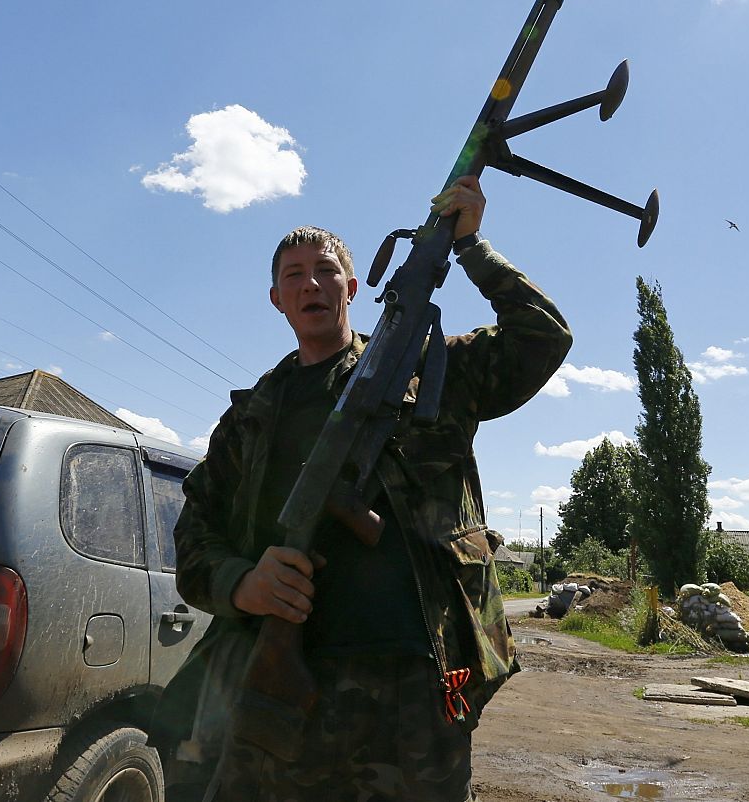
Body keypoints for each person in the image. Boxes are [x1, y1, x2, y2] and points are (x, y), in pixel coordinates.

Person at [159, 176, 571, 802]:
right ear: (277, 299)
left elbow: (544, 337)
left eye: (325, 271)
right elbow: (193, 536)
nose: (310, 284)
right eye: (294, 275)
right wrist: (243, 583)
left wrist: (472, 249)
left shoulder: (429, 369)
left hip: (421, 681)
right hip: (289, 690)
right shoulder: (250, 417)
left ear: (352, 288)